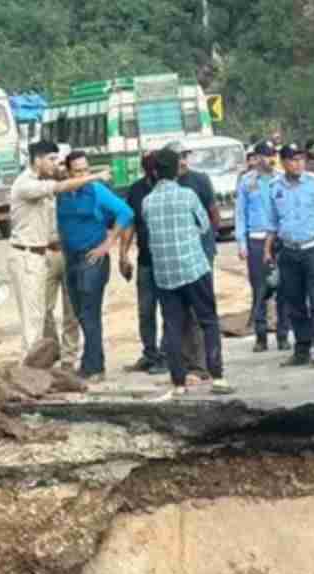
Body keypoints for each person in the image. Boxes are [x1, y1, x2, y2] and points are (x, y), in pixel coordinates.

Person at [142, 147, 232, 399]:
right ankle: (218, 377)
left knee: (172, 327)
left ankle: (178, 383)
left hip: (165, 274)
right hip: (193, 268)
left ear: (155, 171)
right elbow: (204, 225)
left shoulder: (148, 202)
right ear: (175, 170)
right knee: (208, 321)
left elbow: (150, 232)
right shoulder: (188, 195)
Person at [7, 141, 107, 364]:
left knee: (68, 310)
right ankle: (31, 368)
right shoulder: (26, 185)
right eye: (51, 159)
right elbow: (59, 187)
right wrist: (95, 176)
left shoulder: (49, 181)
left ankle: (60, 360)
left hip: (54, 253)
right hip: (29, 255)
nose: (55, 164)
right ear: (37, 159)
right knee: (36, 317)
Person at [56, 151, 134, 382]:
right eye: (77, 171)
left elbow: (126, 212)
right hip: (70, 258)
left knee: (90, 313)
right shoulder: (62, 194)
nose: (83, 175)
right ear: (68, 172)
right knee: (79, 313)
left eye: (86, 170)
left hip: (92, 259)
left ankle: (95, 367)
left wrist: (108, 243)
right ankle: (90, 363)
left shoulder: (97, 191)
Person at [263, 143, 314, 367]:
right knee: (293, 302)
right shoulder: (275, 187)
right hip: (288, 251)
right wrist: (267, 250)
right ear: (283, 162)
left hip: (313, 249)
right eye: (293, 160)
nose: (298, 164)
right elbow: (272, 223)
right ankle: (302, 349)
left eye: (301, 159)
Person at [168, 140, 222, 383]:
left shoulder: (199, 180)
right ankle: (188, 363)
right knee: (182, 313)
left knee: (203, 310)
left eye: (184, 155)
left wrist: (210, 243)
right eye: (177, 156)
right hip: (177, 257)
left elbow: (212, 213)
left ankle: (203, 365)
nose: (182, 161)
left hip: (201, 253)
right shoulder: (165, 186)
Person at [120, 152, 167, 375]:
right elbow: (129, 223)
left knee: (169, 310)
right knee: (145, 310)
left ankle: (166, 355)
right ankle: (150, 353)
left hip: (167, 260)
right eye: (148, 169)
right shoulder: (137, 190)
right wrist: (123, 254)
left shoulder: (170, 188)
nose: (152, 173)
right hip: (145, 261)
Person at [236, 142, 277, 352]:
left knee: (284, 287)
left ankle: (283, 334)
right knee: (260, 289)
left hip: (279, 239)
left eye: (273, 155)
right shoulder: (247, 182)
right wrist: (242, 243)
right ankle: (261, 336)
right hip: (257, 239)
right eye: (267, 155)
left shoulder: (280, 179)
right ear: (258, 158)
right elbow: (240, 214)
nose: (271, 159)